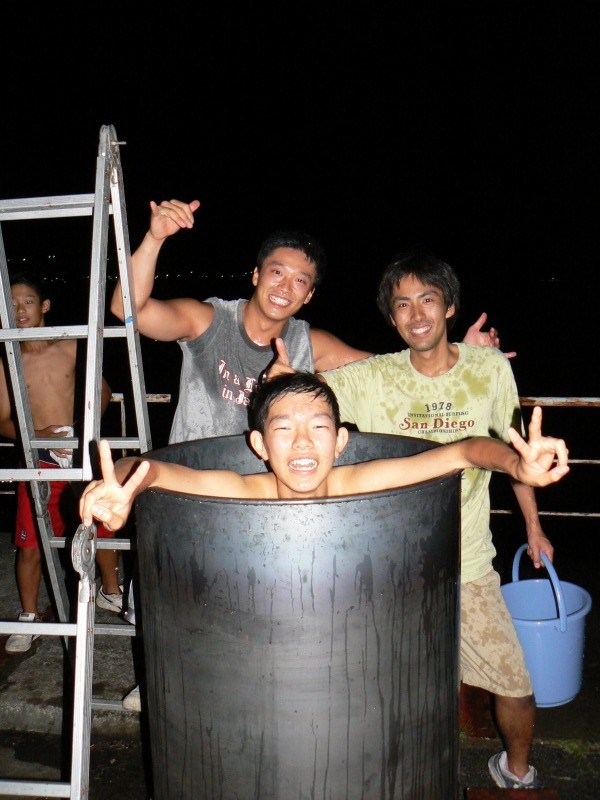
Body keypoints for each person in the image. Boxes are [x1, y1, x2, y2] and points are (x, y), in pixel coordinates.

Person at [109, 198, 505, 710]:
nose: (285, 286)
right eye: (277, 272)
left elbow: (398, 370)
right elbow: (129, 309)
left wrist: (459, 352)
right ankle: (163, 681)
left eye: (301, 280)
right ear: (256, 274)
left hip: (268, 503)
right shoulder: (209, 320)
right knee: (175, 600)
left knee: (248, 615)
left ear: (310, 294)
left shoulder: (308, 342)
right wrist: (156, 237)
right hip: (193, 488)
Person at [268, 251, 553, 790]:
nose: (416, 314)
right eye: (402, 304)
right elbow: (309, 399)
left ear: (449, 307)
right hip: (388, 570)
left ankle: (516, 773)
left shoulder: (489, 368)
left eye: (428, 300)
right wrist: (283, 383)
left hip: (467, 560)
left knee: (515, 684)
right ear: (391, 317)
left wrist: (534, 527)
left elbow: (517, 453)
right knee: (385, 690)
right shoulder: (375, 377)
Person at [79, 372, 568, 531]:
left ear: (340, 441)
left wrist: (516, 464)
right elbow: (152, 470)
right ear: (259, 445)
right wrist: (118, 482)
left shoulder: (354, 483)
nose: (303, 443)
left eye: (318, 427)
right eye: (283, 429)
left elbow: (463, 452)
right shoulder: (246, 490)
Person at [0, 273, 121, 654]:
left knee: (102, 524)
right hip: (39, 458)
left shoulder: (71, 344)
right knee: (31, 541)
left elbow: (103, 393)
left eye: (27, 301)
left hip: (81, 450)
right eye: (12, 303)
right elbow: (3, 421)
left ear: (45, 306)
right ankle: (29, 616)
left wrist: (81, 430)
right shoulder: (7, 360)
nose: (20, 310)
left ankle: (111, 591)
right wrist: (38, 434)